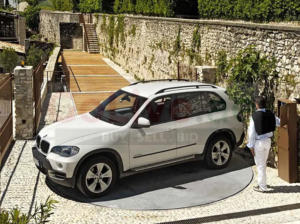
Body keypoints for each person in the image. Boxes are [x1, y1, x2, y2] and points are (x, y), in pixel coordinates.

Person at [247, 96, 280, 192]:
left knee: (260, 164)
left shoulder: (254, 116)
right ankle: (262, 182)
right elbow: (279, 122)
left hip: (259, 143)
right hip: (268, 141)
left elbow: (252, 133)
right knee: (263, 163)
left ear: (257, 105)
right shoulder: (271, 114)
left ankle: (262, 186)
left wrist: (251, 146)